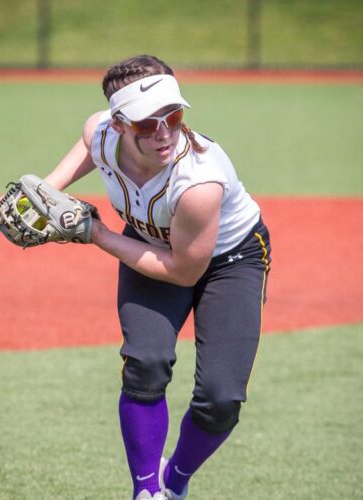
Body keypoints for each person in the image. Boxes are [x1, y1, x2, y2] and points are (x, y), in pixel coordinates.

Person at [44, 54, 271, 500]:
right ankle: (145, 491)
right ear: (121, 124)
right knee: (145, 364)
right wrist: (47, 189)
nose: (164, 131)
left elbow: (183, 270)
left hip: (230, 261)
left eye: (174, 115)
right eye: (147, 124)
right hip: (152, 242)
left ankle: (175, 484)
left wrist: (96, 234)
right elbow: (89, 138)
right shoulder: (103, 132)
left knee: (221, 399)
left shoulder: (200, 182)